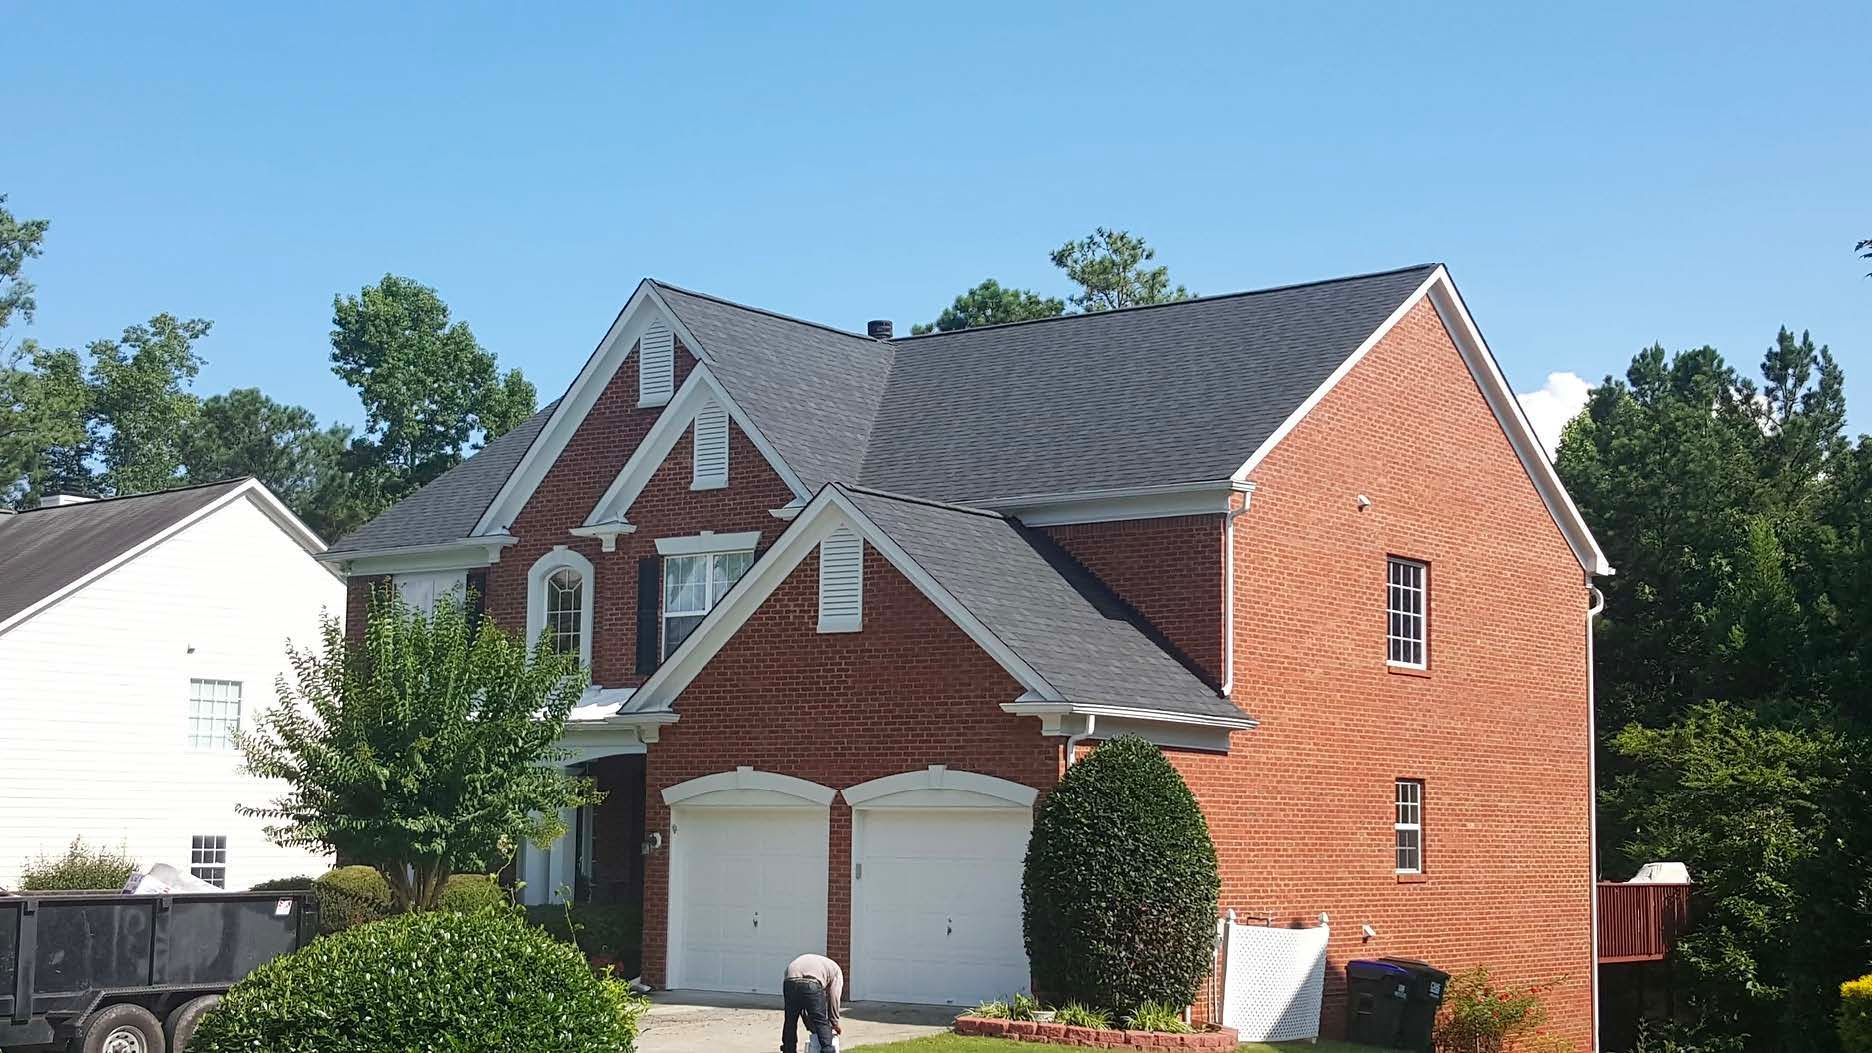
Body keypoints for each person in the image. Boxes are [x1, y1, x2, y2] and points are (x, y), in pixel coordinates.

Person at [781, 952, 843, 1053]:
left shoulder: (814, 961)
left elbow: (804, 1006)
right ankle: (827, 1049)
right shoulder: (837, 971)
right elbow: (834, 996)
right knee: (821, 1021)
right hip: (811, 984)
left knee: (790, 1021)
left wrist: (809, 1024)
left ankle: (788, 1049)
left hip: (789, 980)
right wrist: (834, 1022)